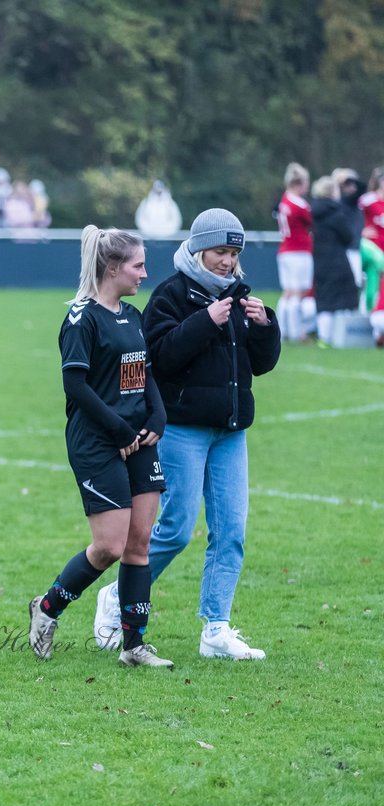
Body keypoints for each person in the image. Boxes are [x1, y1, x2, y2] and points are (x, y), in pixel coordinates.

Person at [94, 209, 281, 660]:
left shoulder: (239, 295)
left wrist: (264, 328)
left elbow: (260, 365)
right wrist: (206, 321)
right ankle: (115, 599)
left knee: (231, 532)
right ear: (198, 249)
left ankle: (216, 628)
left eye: (234, 253)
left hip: (230, 434)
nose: (227, 261)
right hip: (182, 431)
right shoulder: (170, 296)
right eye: (220, 251)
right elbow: (159, 357)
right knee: (175, 530)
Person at [26, 226, 171, 668]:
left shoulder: (133, 315)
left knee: (139, 543)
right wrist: (120, 432)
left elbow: (143, 374)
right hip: (97, 442)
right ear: (112, 268)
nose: (145, 273)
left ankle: (134, 646)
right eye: (137, 265)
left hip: (138, 438)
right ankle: (46, 609)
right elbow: (76, 387)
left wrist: (157, 418)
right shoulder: (81, 318)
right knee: (109, 545)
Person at [311, 175, 359, 346]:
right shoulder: (336, 213)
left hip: (318, 261)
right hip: (337, 261)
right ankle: (342, 338)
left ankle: (324, 339)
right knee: (344, 300)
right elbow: (348, 236)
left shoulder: (313, 212)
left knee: (324, 301)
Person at [275, 163, 314, 343]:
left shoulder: (284, 200)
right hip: (299, 251)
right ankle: (297, 332)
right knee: (298, 294)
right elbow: (311, 222)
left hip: (285, 251)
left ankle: (281, 331)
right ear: (300, 182)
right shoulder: (300, 204)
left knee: (288, 293)